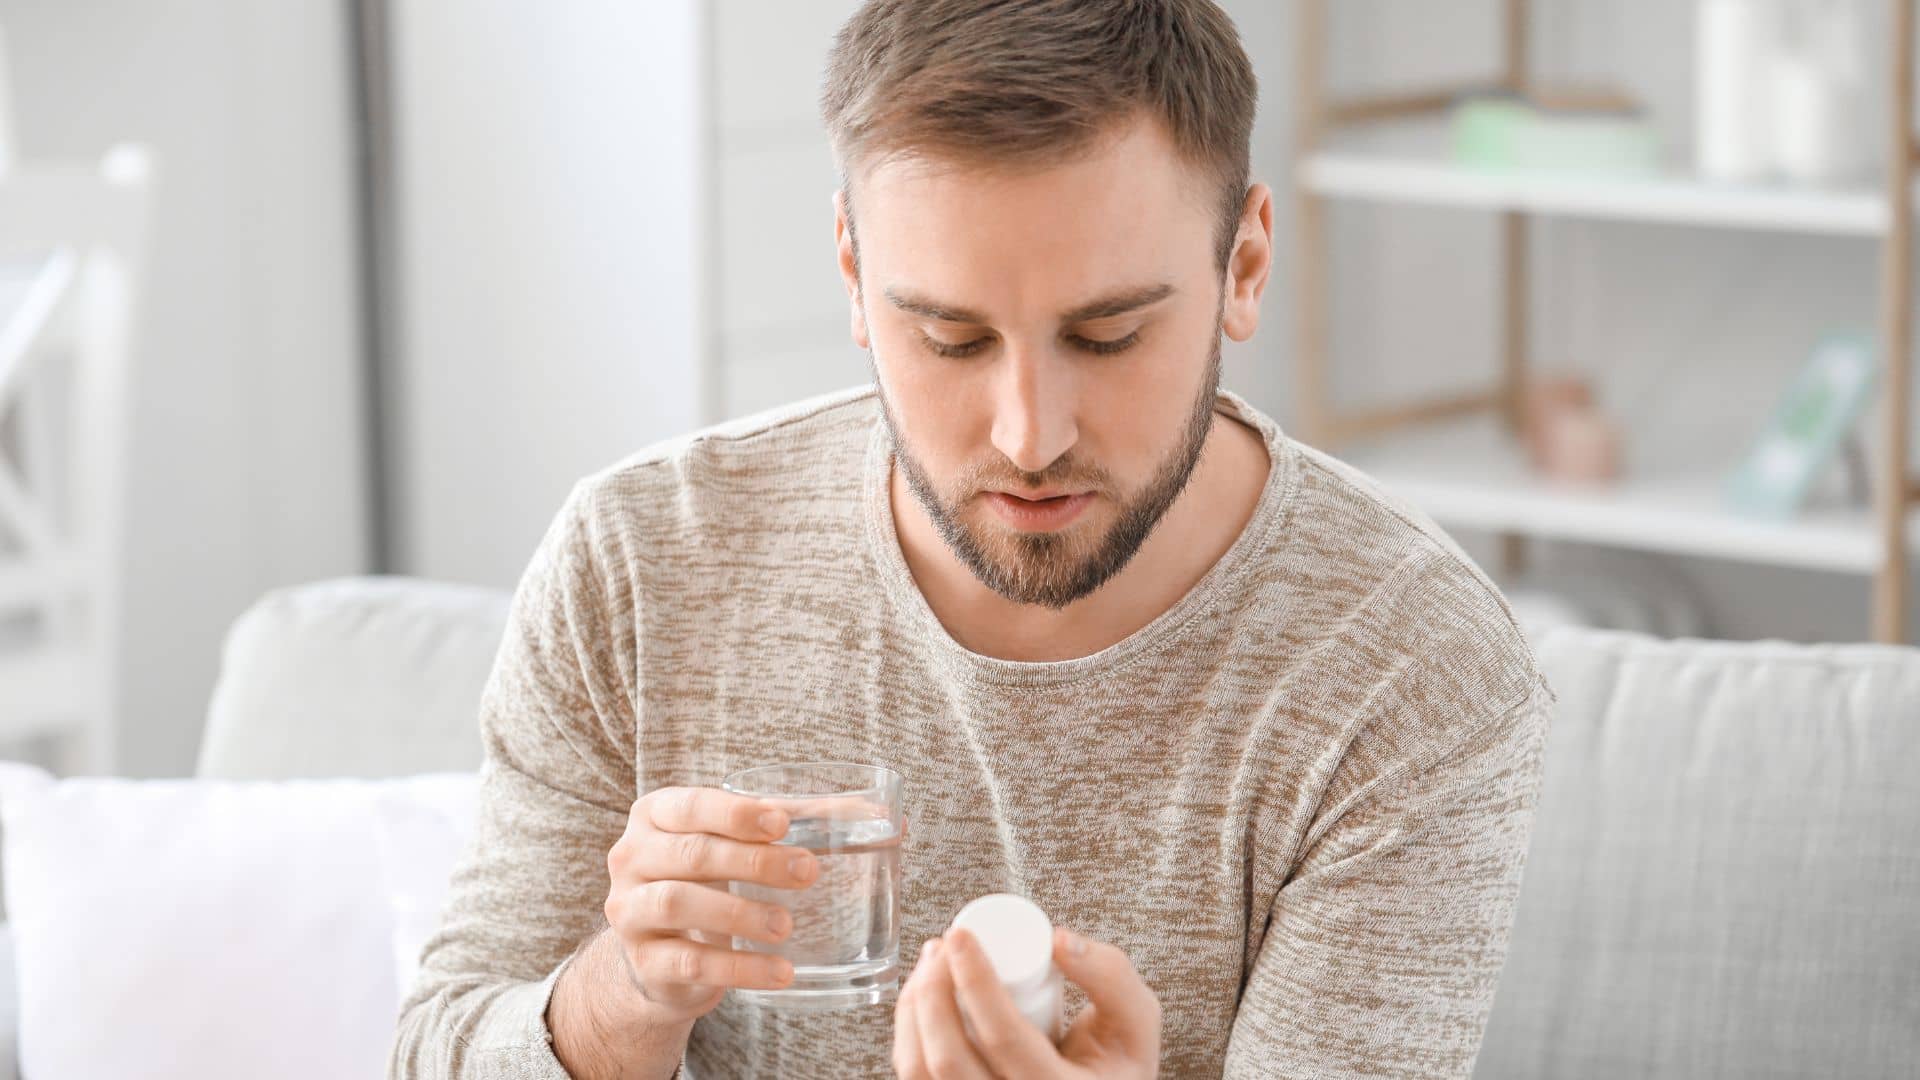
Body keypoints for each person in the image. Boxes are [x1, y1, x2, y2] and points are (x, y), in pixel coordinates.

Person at [389, 1, 1557, 1077]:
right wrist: (626, 995)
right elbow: (437, 1047)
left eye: (1108, 336)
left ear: (1243, 265)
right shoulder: (643, 563)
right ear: (853, 271)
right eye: (949, 338)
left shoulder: (1409, 672)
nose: (1031, 435)